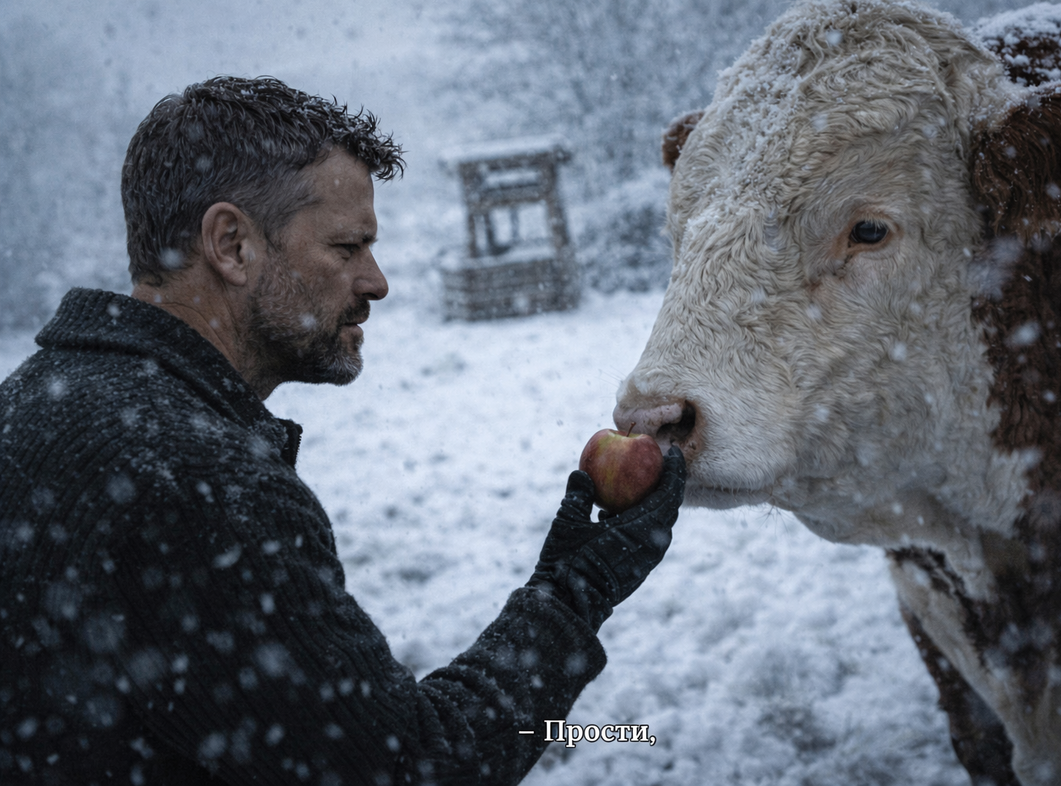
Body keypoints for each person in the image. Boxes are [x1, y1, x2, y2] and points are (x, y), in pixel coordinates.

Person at [0, 75, 686, 785]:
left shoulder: (34, 402)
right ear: (231, 244)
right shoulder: (200, 485)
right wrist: (574, 591)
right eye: (347, 247)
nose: (378, 280)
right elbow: (417, 767)